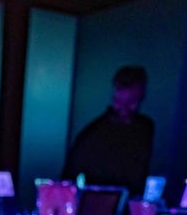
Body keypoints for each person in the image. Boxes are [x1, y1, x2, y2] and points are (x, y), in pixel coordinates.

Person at [62, 66, 154, 196]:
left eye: (131, 103)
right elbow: (68, 180)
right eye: (120, 102)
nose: (124, 110)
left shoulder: (145, 128)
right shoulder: (92, 134)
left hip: (128, 206)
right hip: (98, 207)